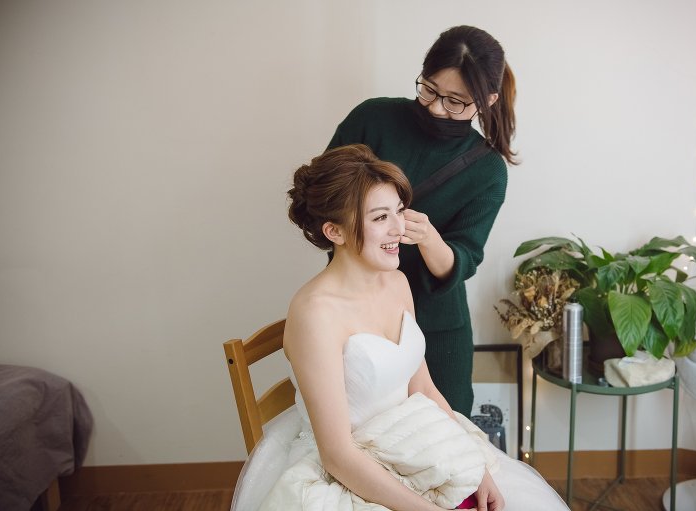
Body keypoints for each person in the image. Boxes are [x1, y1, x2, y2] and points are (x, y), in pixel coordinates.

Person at [230, 145, 568, 511]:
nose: (399, 227)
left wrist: (474, 467)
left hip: (410, 442)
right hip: (348, 467)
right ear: (334, 231)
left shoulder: (397, 282)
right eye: (380, 217)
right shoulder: (315, 314)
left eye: (399, 210)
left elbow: (423, 387)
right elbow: (338, 455)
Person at [327, 26, 516, 417]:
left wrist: (429, 238)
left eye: (455, 101)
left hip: (435, 328)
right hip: (353, 310)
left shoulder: (488, 171)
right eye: (429, 89)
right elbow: (323, 197)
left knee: (446, 429)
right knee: (360, 427)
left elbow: (462, 261)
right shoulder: (373, 119)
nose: (435, 108)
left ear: (487, 100)